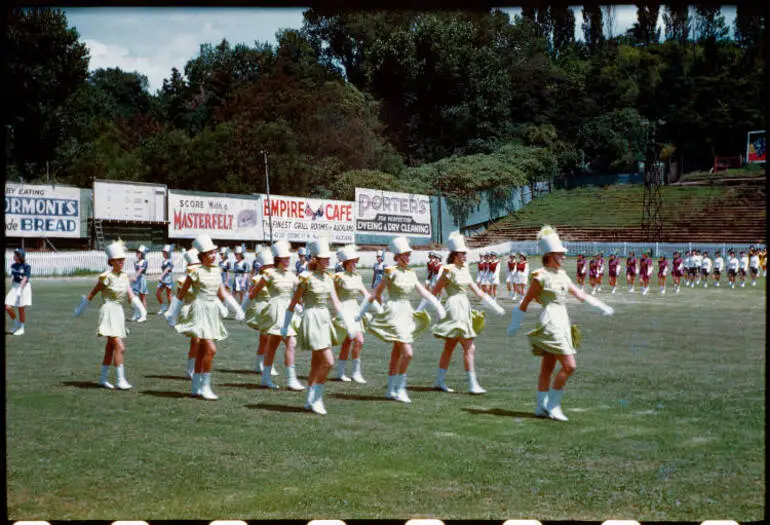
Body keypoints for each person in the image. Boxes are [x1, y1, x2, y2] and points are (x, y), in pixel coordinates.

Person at [507, 226, 613, 422]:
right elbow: (525, 301)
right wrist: (515, 323)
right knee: (570, 366)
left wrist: (601, 306)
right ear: (550, 255)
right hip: (550, 321)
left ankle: (540, 407)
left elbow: (579, 294)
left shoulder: (562, 274)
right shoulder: (540, 276)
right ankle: (553, 406)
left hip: (563, 320)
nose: (564, 257)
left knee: (547, 367)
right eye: (560, 254)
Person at [357, 236, 446, 403]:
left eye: (408, 254)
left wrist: (439, 307)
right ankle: (401, 388)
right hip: (393, 313)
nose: (408, 257)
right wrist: (360, 313)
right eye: (404, 254)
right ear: (397, 256)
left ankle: (390, 390)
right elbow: (375, 294)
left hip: (407, 315)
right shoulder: (390, 272)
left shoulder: (411, 274)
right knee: (408, 353)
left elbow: (425, 293)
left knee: (397, 353)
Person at [166, 234, 245, 400]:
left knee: (202, 350)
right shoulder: (195, 272)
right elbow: (180, 295)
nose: (213, 255)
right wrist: (172, 314)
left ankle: (196, 387)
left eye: (214, 252)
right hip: (199, 310)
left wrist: (237, 308)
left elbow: (222, 293)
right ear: (202, 256)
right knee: (211, 349)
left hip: (212, 313)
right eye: (209, 253)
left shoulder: (217, 271)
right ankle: (206, 386)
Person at [284, 237, 355, 415]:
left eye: (328, 259)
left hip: (324, 319)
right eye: (324, 259)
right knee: (328, 361)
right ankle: (317, 398)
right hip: (311, 318)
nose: (327, 261)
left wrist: (349, 324)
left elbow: (336, 303)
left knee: (317, 363)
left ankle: (310, 399)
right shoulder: (305, 278)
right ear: (315, 260)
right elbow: (293, 303)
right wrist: (286, 326)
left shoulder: (329, 278)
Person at [430, 232, 505, 394]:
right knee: (469, 347)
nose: (465, 255)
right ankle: (472, 384)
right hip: (453, 307)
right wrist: (429, 308)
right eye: (462, 253)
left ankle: (439, 381)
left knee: (449, 346)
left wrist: (495, 305)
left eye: (465, 253)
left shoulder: (465, 269)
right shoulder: (448, 270)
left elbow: (478, 292)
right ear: (455, 255)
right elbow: (435, 292)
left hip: (464, 307)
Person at [74, 239, 147, 390]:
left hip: (118, 312)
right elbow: (92, 293)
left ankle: (103, 379)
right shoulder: (106, 277)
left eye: (123, 260)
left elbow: (130, 294)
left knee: (110, 347)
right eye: (118, 260)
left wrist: (141, 309)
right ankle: (120, 380)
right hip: (108, 311)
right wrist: (80, 309)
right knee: (120, 346)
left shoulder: (124, 276)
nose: (122, 262)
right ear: (111, 261)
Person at [248, 241, 305, 390]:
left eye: (288, 259)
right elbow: (253, 292)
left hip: (288, 312)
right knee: (282, 344)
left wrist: (301, 306)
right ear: (278, 260)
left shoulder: (292, 275)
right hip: (275, 311)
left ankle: (275, 379)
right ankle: (282, 379)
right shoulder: (269, 274)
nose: (288, 261)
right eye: (285, 259)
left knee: (279, 344)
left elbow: (297, 293)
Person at [333, 244, 380, 384]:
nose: (355, 264)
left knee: (357, 341)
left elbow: (366, 295)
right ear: (346, 263)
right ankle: (342, 373)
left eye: (356, 261)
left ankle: (354, 372)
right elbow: (332, 295)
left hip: (355, 310)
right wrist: (337, 310)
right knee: (350, 341)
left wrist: (379, 309)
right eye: (353, 261)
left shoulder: (357, 277)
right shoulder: (338, 277)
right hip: (344, 310)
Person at [166, 248, 201, 378]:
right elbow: (179, 297)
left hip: (203, 309)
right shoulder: (183, 280)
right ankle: (193, 369)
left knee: (198, 340)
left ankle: (193, 369)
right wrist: (172, 314)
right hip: (190, 309)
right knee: (197, 339)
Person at [243, 248, 278, 377]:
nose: (271, 268)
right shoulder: (257, 279)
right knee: (267, 339)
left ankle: (261, 364)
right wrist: (242, 309)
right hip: (261, 310)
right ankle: (266, 365)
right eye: (268, 266)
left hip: (273, 308)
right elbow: (251, 294)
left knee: (266, 339)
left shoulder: (276, 277)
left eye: (272, 265)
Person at [5, 248, 32, 336]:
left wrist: (20, 289)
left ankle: (21, 328)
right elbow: (13, 276)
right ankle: (16, 323)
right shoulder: (13, 266)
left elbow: (25, 278)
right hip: (15, 286)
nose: (14, 256)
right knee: (8, 306)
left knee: (21, 308)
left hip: (24, 288)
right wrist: (12, 280)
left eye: (16, 255)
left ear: (20, 256)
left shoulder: (27, 266)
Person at [131, 245, 149, 322]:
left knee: (142, 297)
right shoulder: (136, 262)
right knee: (134, 297)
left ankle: (143, 315)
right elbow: (136, 271)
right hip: (137, 279)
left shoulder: (145, 262)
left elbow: (140, 271)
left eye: (139, 252)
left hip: (141, 279)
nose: (137, 254)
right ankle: (137, 312)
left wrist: (135, 276)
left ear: (143, 254)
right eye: (137, 252)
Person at [156, 244, 174, 315]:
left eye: (165, 252)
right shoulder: (164, 261)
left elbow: (167, 269)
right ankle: (163, 307)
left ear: (168, 253)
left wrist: (161, 276)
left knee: (169, 294)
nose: (163, 253)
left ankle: (171, 310)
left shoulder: (170, 261)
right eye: (163, 252)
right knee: (158, 294)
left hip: (167, 278)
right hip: (163, 278)